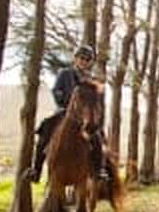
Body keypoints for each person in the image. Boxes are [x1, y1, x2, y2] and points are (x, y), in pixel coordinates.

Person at [28, 44, 109, 183]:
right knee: (45, 129)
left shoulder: (91, 78)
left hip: (84, 115)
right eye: (81, 58)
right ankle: (37, 170)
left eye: (87, 59)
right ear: (75, 58)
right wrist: (65, 102)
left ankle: (99, 170)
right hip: (65, 111)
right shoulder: (65, 73)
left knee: (98, 137)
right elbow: (56, 90)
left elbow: (95, 99)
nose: (84, 61)